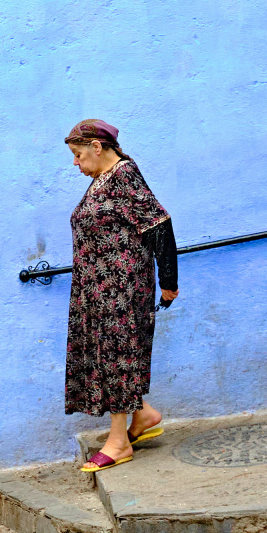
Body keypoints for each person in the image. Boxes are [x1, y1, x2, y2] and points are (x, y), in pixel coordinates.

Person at [63, 119, 178, 472]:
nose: (75, 162)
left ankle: (119, 442)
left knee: (117, 358)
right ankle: (143, 416)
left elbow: (159, 224)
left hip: (121, 288)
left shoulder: (124, 174)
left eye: (78, 154)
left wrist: (169, 281)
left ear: (97, 147)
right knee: (108, 356)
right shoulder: (102, 179)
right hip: (99, 288)